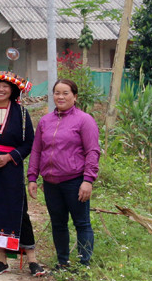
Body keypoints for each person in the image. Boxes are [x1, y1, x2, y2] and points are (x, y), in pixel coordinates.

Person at [0, 71, 45, 277]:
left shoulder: (21, 114)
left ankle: (32, 260)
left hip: (11, 168)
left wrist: (10, 157)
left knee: (18, 210)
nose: (1, 89)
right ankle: (1, 261)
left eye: (5, 86)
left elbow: (29, 142)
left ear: (12, 90)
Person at [28, 79, 101, 271]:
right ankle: (63, 262)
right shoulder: (45, 121)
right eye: (57, 93)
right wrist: (32, 177)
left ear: (75, 97)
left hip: (75, 181)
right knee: (58, 223)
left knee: (81, 223)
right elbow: (37, 151)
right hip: (51, 183)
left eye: (66, 93)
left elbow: (93, 151)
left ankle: (83, 264)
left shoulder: (84, 120)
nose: (60, 97)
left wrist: (88, 180)